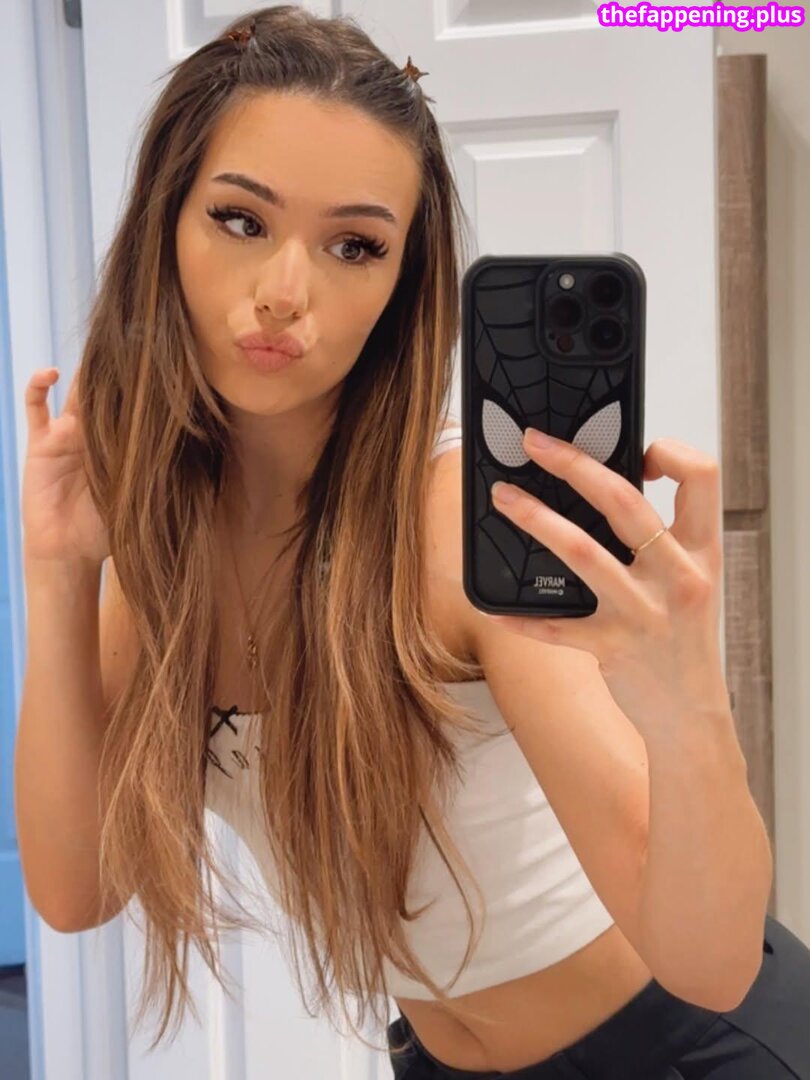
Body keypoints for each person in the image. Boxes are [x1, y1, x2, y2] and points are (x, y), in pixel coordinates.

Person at [15, 6, 810, 1077]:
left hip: (688, 1048)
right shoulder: (160, 557)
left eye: (355, 245)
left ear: (400, 284)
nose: (285, 292)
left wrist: (689, 701)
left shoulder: (447, 524)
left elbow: (711, 964)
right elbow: (75, 893)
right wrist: (61, 574)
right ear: (167, 225)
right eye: (241, 220)